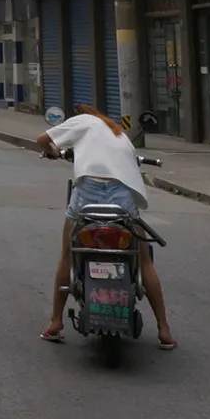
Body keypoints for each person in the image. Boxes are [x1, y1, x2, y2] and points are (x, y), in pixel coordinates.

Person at [35, 109, 176, 350]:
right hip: (122, 196)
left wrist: (53, 152)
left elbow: (42, 140)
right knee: (144, 261)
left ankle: (56, 322)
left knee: (68, 253)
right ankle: (164, 329)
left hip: (89, 190)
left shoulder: (83, 121)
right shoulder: (120, 135)